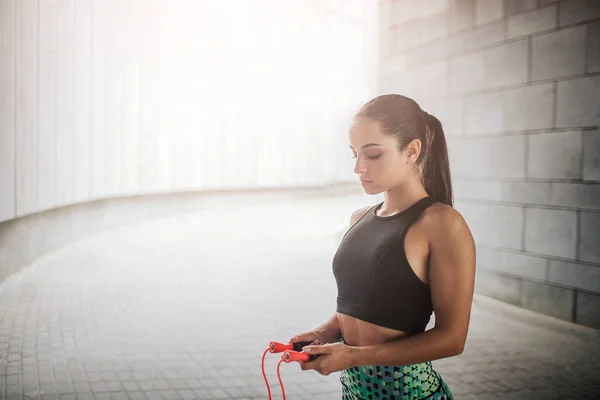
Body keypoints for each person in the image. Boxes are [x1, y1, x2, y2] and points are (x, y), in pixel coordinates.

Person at [290, 94, 476, 399]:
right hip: (352, 393)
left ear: (412, 151)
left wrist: (354, 356)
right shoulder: (359, 218)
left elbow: (452, 339)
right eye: (354, 155)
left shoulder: (442, 224)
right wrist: (326, 331)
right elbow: (366, 305)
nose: (359, 168)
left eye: (373, 154)